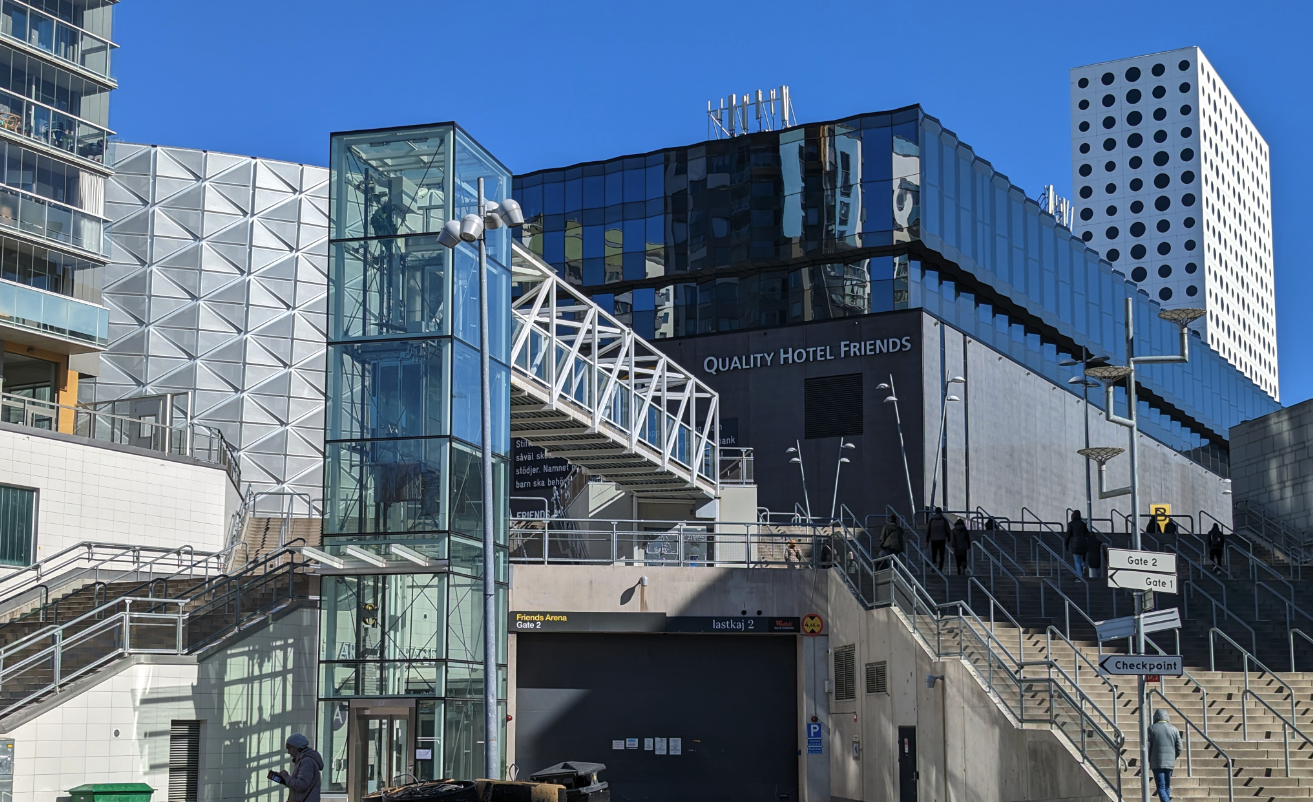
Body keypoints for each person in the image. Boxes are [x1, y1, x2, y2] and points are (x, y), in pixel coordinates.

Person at [273, 733, 323, 802]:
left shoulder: (307, 761)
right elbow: (299, 785)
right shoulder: (303, 760)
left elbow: (301, 785)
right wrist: (284, 779)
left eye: (289, 748)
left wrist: (286, 777)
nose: (288, 752)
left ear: (295, 747)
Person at [1147, 709, 1182, 802]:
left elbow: (1148, 746)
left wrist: (1148, 758)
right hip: (1170, 763)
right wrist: (1173, 757)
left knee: (1161, 787)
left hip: (1157, 762)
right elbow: (1179, 747)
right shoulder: (1174, 729)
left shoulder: (1151, 728)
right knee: (1167, 786)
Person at [1065, 510, 1090, 577]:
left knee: (1076, 561)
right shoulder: (1083, 524)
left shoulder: (1071, 524)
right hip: (1083, 543)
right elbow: (1087, 534)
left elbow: (1068, 535)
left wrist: (1066, 545)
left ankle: (1079, 576)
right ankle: (1083, 566)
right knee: (1081, 557)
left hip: (1075, 544)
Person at [926, 507, 950, 572]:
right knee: (942, 554)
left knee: (934, 554)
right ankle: (940, 567)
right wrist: (949, 539)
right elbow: (948, 530)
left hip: (933, 539)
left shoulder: (932, 520)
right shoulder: (944, 520)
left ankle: (934, 565)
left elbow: (928, 531)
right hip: (942, 539)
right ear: (941, 512)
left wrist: (927, 540)